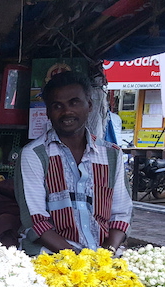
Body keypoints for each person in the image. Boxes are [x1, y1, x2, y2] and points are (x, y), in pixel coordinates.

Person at [14, 70, 132, 256]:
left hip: (105, 257)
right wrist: (80, 259)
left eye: (74, 103)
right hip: (51, 258)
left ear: (90, 105)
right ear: (47, 112)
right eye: (57, 106)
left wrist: (106, 254)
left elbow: (121, 215)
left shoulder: (112, 155)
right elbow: (36, 221)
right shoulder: (34, 155)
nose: (67, 111)